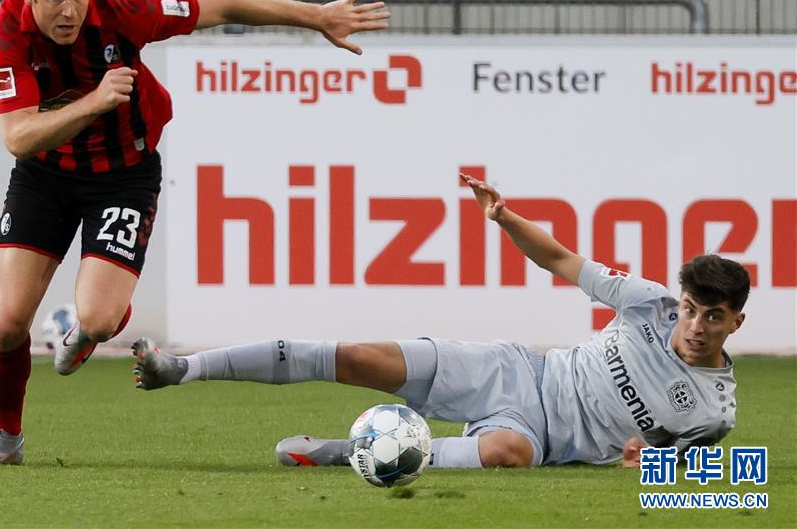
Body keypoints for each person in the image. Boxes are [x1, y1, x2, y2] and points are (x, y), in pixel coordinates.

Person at [0, 0, 389, 466]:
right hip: (44, 175)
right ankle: (5, 437)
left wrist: (317, 17)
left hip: (123, 175)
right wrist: (96, 100)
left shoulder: (125, 7)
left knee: (98, 319)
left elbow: (225, 5)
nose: (70, 10)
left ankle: (87, 331)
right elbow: (18, 137)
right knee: (6, 323)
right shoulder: (8, 26)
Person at [131, 173, 750, 470]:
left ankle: (347, 453)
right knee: (357, 357)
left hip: (545, 439)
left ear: (735, 323)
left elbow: (679, 468)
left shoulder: (713, 411)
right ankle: (181, 368)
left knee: (506, 454)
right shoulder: (647, 303)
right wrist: (506, 218)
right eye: (691, 308)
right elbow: (561, 259)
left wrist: (645, 463)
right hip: (517, 372)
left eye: (712, 317)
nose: (695, 324)